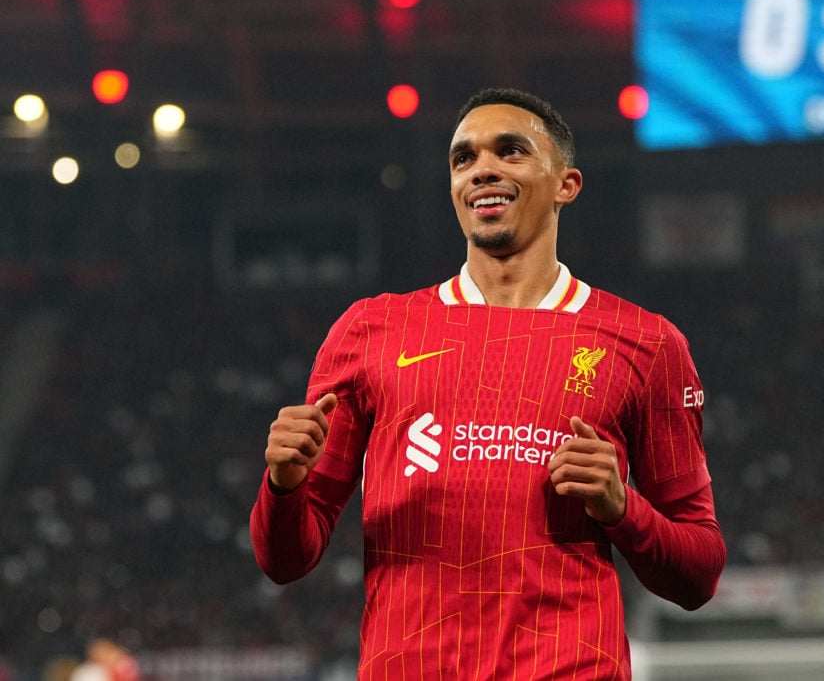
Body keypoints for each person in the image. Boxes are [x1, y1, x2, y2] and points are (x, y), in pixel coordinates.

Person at [250, 87, 726, 679]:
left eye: (510, 151)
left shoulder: (646, 344)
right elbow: (285, 559)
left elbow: (700, 572)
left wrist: (622, 509)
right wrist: (284, 485)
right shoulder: (371, 331)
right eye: (463, 158)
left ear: (565, 185)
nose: (482, 170)